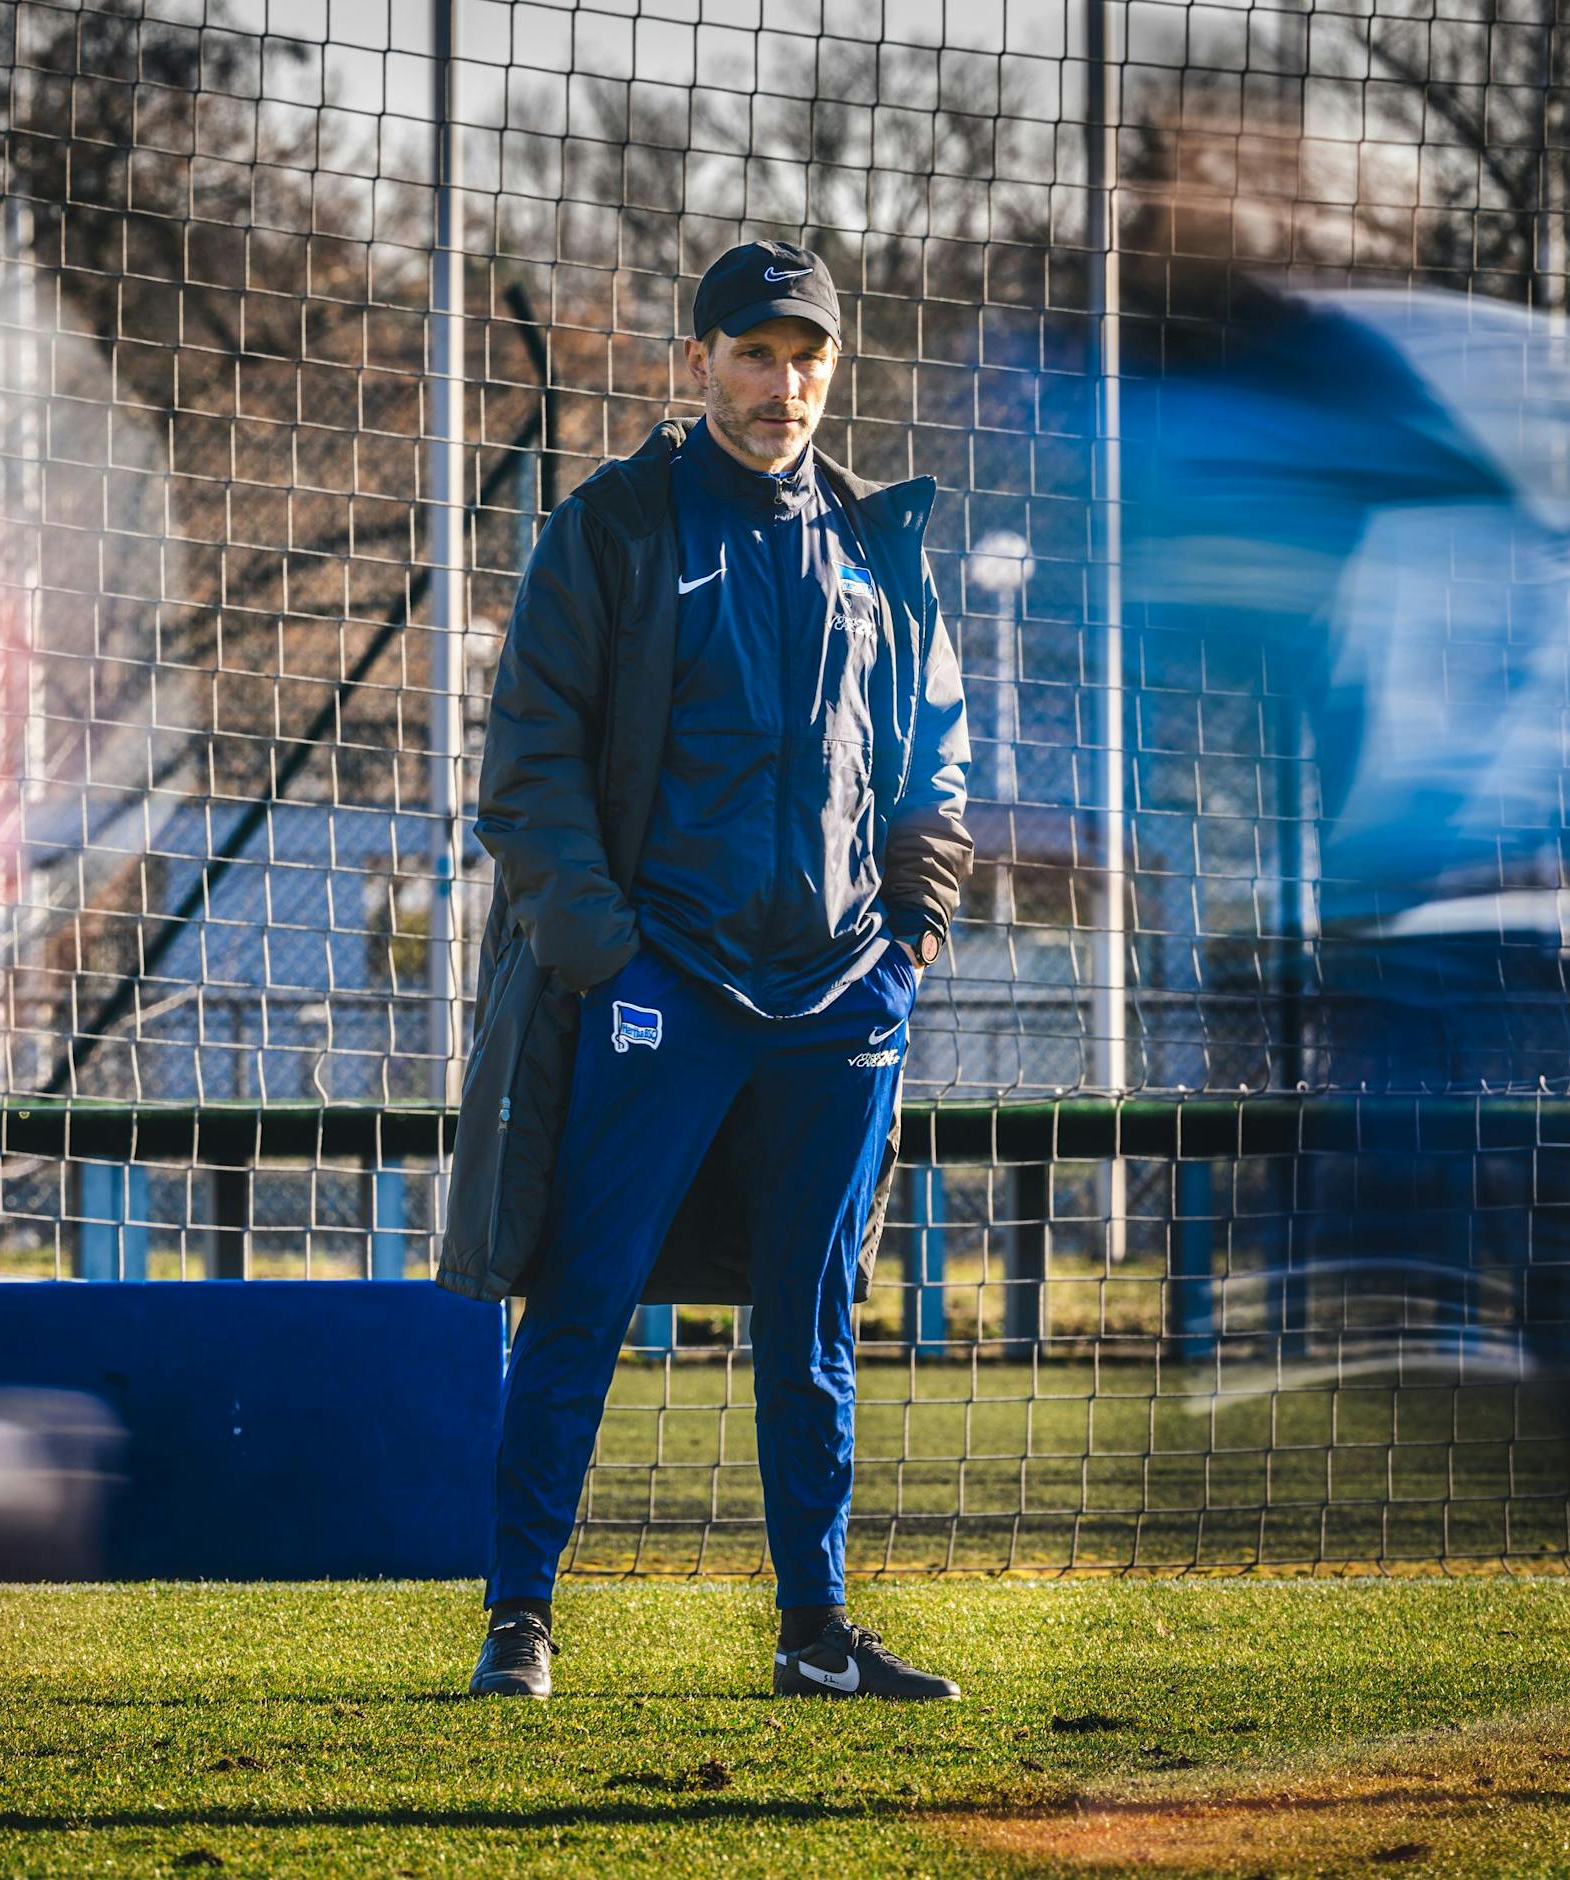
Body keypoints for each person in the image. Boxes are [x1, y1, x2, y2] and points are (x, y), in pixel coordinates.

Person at [438, 241, 973, 1701]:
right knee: (581, 1298)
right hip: (658, 987)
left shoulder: (879, 545)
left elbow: (937, 762)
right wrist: (608, 959)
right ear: (699, 363)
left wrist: (907, 943)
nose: (780, 383)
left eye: (806, 356)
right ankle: (519, 1620)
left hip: (836, 1003)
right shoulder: (612, 530)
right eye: (752, 352)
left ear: (830, 371)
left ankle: (815, 1634)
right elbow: (530, 768)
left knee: (811, 1327)